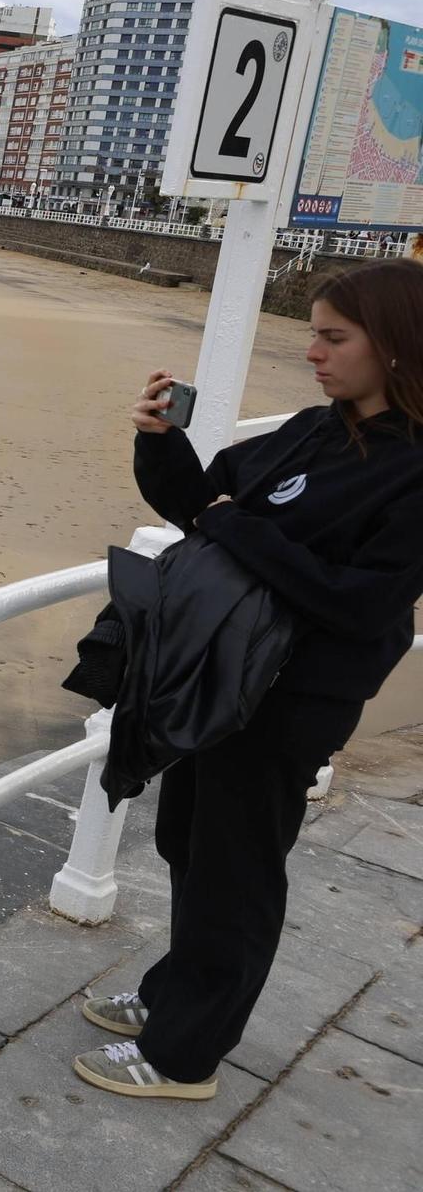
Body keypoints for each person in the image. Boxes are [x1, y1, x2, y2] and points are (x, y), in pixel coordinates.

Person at [72, 258, 423, 1102]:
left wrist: (242, 530)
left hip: (295, 698)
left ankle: (184, 1054)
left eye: (334, 337)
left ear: (400, 348)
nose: (313, 352)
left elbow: (361, 602)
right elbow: (201, 504)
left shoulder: (412, 471)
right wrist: (159, 442)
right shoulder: (312, 428)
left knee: (239, 866)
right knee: (189, 837)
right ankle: (172, 994)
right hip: (220, 675)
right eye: (313, 334)